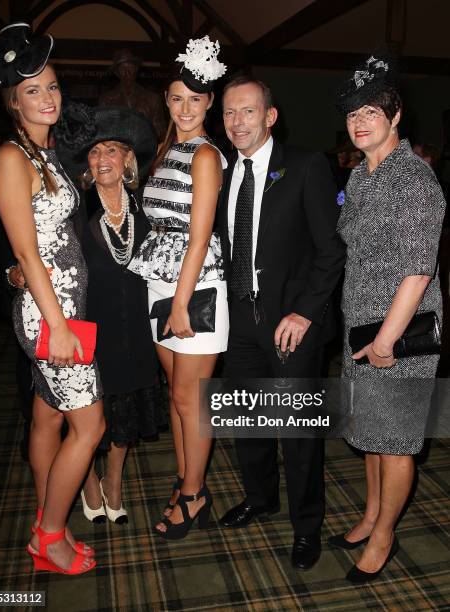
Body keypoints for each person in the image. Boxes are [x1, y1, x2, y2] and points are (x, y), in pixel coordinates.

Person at [217, 76, 346, 571]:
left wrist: (305, 312)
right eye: (229, 112)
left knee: (297, 433)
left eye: (248, 111)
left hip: (291, 323)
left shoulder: (308, 166)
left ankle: (306, 525)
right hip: (240, 321)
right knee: (246, 421)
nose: (237, 122)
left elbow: (330, 250)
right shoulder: (226, 172)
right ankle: (260, 497)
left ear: (270, 116)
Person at [0, 23, 104, 575]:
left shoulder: (46, 154)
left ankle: (44, 514)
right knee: (91, 426)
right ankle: (49, 538)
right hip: (49, 316)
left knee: (48, 417)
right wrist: (57, 326)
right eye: (33, 90)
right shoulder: (12, 158)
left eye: (53, 86)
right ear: (13, 101)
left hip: (61, 308)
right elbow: (28, 254)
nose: (48, 97)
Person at [331, 55, 446, 583]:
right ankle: (372, 514)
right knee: (370, 433)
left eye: (372, 110)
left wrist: (386, 341)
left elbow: (419, 272)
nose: (360, 120)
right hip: (360, 325)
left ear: (396, 115)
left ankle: (385, 534)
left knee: (396, 441)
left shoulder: (414, 179)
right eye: (353, 111)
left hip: (399, 334)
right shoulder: (360, 177)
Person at [129, 36, 228, 539]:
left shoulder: (206, 155)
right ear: (166, 101)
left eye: (195, 99)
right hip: (160, 283)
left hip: (196, 290)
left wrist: (183, 304)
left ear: (210, 101)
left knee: (192, 399)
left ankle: (195, 495)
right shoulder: (170, 147)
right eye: (176, 98)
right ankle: (187, 477)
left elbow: (200, 235)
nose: (185, 108)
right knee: (177, 395)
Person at [54, 104, 162, 523]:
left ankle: (113, 478)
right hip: (87, 328)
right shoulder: (75, 209)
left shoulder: (144, 207)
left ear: (127, 160)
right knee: (88, 418)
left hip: (134, 327)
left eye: (112, 151)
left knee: (126, 416)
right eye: (95, 152)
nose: (103, 160)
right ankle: (87, 481)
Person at [99, 48, 166, 142]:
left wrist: (143, 130)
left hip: (145, 150)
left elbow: (160, 131)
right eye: (123, 69)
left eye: (131, 68)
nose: (127, 73)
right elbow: (102, 130)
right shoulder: (106, 99)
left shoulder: (152, 99)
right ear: (117, 73)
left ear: (136, 70)